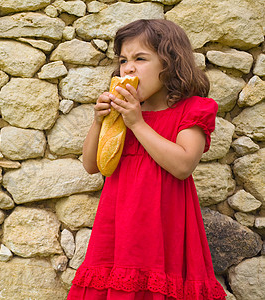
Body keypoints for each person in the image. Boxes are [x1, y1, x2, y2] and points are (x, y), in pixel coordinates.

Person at [67, 19, 227, 300]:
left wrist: (137, 123)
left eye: (140, 58)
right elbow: (92, 166)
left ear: (170, 64)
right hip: (118, 226)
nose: (128, 68)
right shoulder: (123, 113)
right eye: (123, 60)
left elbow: (182, 165)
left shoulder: (192, 109)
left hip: (164, 227)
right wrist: (99, 122)